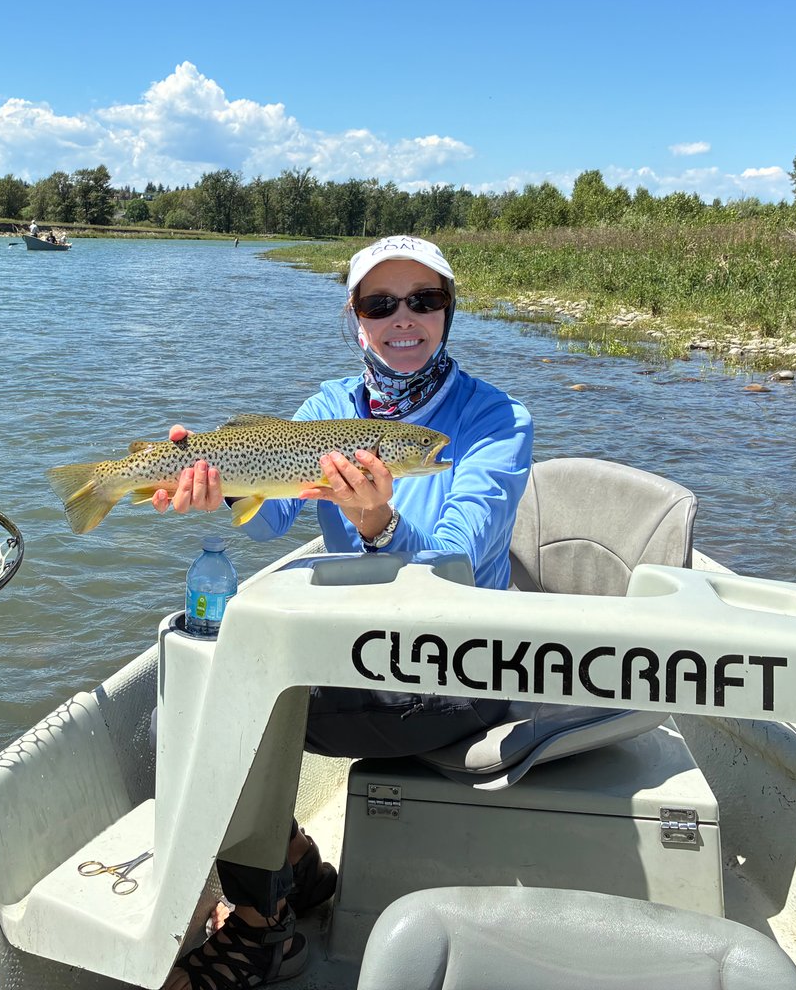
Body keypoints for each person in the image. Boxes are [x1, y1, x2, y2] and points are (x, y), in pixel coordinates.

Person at [153, 234, 533, 988]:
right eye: (379, 303)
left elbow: (454, 562)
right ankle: (293, 859)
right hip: (360, 653)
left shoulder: (495, 420)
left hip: (460, 664)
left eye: (423, 301)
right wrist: (217, 484)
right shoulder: (328, 410)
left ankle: (263, 930)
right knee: (189, 695)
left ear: (448, 311)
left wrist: (380, 527)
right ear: (353, 317)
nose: (403, 319)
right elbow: (264, 522)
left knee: (231, 709)